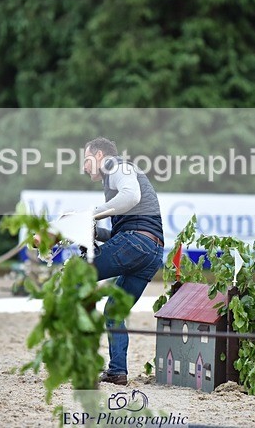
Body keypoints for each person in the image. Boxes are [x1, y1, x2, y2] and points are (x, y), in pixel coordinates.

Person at [83, 137, 164, 386]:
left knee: (75, 278)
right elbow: (122, 232)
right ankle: (118, 372)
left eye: (86, 160)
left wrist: (92, 214)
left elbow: (130, 197)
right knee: (114, 310)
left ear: (99, 156)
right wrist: (96, 232)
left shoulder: (116, 166)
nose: (84, 168)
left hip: (136, 244)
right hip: (152, 252)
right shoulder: (119, 174)